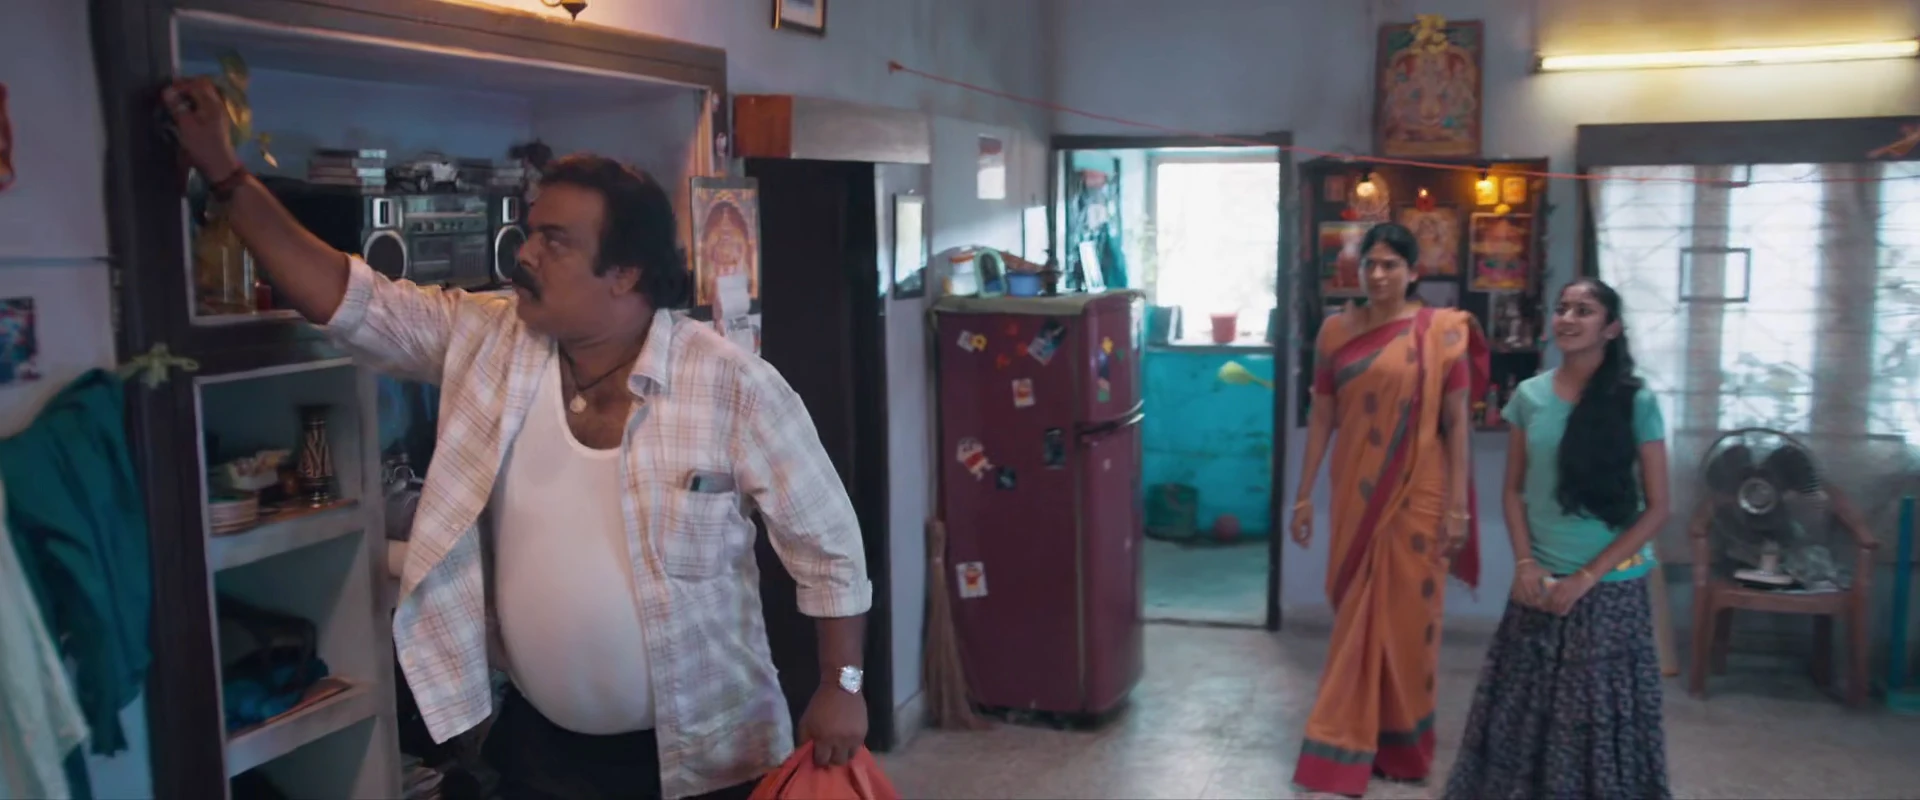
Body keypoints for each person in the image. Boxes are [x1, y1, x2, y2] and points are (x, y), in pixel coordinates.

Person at [162, 77, 872, 800]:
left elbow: (830, 547)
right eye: (531, 231)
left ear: (625, 272)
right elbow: (348, 299)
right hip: (541, 751)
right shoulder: (488, 341)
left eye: (555, 241)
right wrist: (225, 173)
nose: (525, 254)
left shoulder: (732, 383)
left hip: (713, 757)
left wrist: (842, 684)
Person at [1443, 277, 1672, 799]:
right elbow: (1513, 491)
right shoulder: (1530, 396)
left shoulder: (1635, 401)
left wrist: (1586, 578)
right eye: (1563, 308)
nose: (1567, 319)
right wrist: (1525, 565)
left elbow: (1659, 507)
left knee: (1596, 721)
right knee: (1525, 717)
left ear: (1611, 328)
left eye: (1584, 311)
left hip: (1610, 588)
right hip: (1540, 585)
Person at [1289, 222, 1487, 797]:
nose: (1377, 275)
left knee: (1408, 619)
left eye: (1390, 265)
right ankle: (1345, 742)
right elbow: (1323, 418)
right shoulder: (1334, 331)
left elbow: (1457, 424)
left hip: (1421, 492)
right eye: (1369, 264)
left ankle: (1402, 748)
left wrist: (1458, 508)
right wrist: (1303, 494)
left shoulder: (1442, 333)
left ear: (1413, 272)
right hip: (1356, 490)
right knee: (1356, 611)